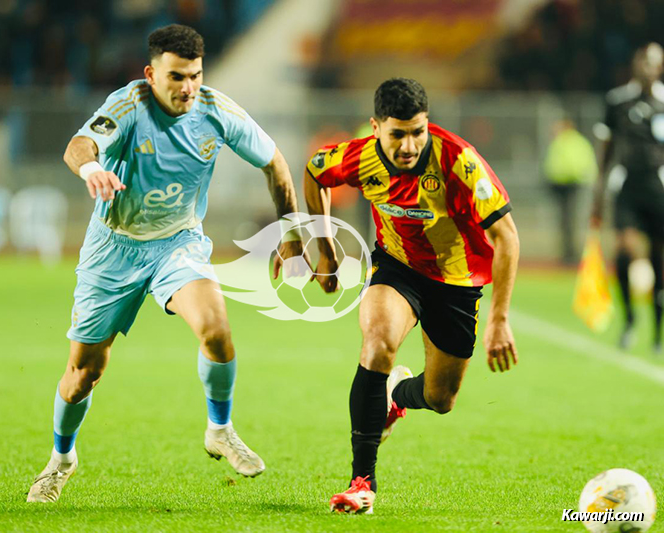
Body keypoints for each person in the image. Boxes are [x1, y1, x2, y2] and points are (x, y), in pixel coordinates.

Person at [27, 24, 306, 502]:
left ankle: (220, 429)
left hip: (178, 243)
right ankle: (61, 459)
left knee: (216, 328)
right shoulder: (128, 106)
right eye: (177, 76)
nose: (188, 87)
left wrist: (293, 233)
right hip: (114, 248)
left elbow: (275, 162)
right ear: (151, 74)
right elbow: (79, 146)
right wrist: (92, 168)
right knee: (84, 373)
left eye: (195, 75)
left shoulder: (216, 111)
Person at [304, 78, 520, 514]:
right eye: (397, 134)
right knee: (377, 342)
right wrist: (324, 247)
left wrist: (499, 319)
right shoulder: (360, 156)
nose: (408, 146)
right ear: (376, 127)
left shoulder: (459, 161)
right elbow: (314, 173)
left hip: (457, 281)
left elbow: (507, 237)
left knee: (441, 399)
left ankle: (397, 396)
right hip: (397, 266)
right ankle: (361, 482)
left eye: (417, 132)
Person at [591, 42, 664, 352]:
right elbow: (606, 149)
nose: (649, 67)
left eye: (655, 62)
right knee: (623, 250)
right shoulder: (618, 100)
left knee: (659, 259)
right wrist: (598, 190)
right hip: (628, 185)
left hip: (659, 186)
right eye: (645, 61)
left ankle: (658, 332)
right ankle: (630, 320)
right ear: (636, 64)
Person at [543, 118, 597, 264]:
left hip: (572, 186)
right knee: (565, 222)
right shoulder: (564, 142)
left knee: (570, 221)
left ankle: (572, 254)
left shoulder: (573, 142)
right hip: (560, 186)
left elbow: (578, 164)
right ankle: (568, 253)